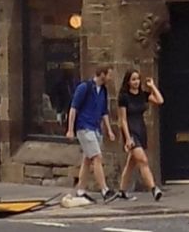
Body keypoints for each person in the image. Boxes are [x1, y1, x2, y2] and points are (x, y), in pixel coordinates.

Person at [111, 69, 163, 201]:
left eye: (138, 79)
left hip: (141, 128)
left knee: (131, 163)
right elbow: (122, 119)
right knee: (143, 160)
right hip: (131, 130)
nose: (136, 82)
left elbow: (160, 100)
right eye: (133, 79)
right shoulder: (124, 97)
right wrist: (127, 138)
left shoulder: (143, 95)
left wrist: (152, 86)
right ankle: (154, 188)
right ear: (128, 81)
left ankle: (122, 190)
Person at [66, 65, 112, 202]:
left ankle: (80, 190)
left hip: (96, 128)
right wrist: (70, 129)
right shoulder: (84, 87)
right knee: (97, 157)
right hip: (84, 127)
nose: (110, 78)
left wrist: (109, 130)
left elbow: (104, 112)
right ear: (102, 74)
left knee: (87, 159)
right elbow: (73, 108)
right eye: (109, 75)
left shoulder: (103, 90)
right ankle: (105, 190)